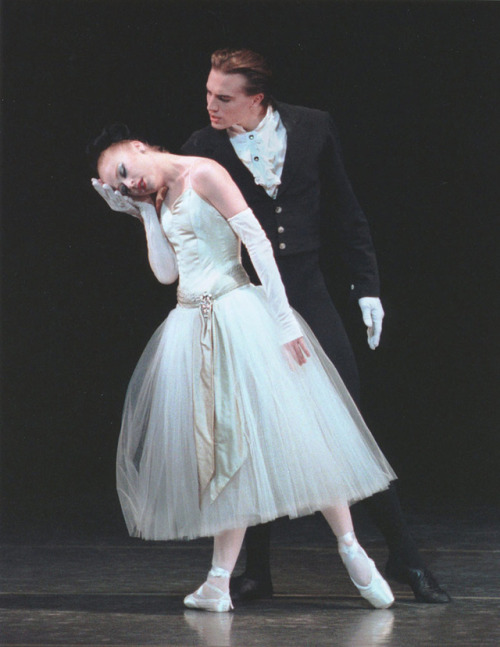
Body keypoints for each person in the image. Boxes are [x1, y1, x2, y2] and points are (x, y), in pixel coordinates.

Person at [180, 48, 450, 604]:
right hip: (247, 297)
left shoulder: (312, 127)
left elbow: (345, 210)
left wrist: (367, 285)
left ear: (257, 98)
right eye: (208, 92)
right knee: (251, 430)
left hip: (308, 291)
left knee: (344, 424)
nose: (210, 104)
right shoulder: (203, 148)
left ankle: (403, 554)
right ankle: (256, 570)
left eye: (223, 97)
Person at [89, 125, 398, 612]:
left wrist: (282, 320)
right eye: (118, 186)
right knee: (224, 450)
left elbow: (256, 241)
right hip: (193, 324)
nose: (129, 185)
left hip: (237, 313)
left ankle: (350, 547)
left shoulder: (204, 173)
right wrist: (144, 214)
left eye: (124, 172)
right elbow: (167, 273)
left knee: (298, 433)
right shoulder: (160, 197)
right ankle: (217, 581)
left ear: (139, 147)